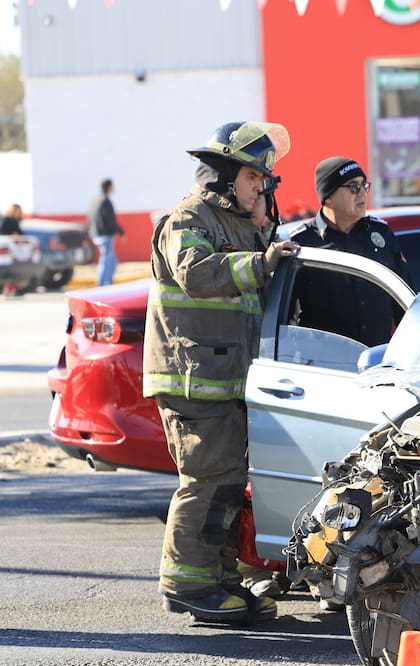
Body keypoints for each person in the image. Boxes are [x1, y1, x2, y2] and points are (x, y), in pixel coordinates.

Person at [143, 121, 299, 625]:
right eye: (256, 177)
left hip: (228, 378)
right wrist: (261, 260)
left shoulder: (242, 222)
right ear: (227, 173)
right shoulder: (188, 217)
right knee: (205, 479)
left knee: (229, 482)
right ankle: (187, 584)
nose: (264, 186)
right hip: (193, 378)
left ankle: (220, 576)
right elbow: (197, 273)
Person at [288, 156, 406, 348]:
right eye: (353, 187)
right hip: (326, 367)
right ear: (328, 197)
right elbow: (285, 320)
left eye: (363, 186)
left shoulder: (381, 234)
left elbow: (404, 306)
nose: (361, 193)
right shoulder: (302, 243)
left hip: (378, 364)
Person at [88, 178, 126, 286]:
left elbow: (89, 217)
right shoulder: (105, 201)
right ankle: (103, 284)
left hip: (96, 234)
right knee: (106, 261)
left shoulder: (94, 200)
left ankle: (107, 283)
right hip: (105, 236)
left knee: (112, 262)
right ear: (109, 187)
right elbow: (110, 220)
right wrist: (121, 232)